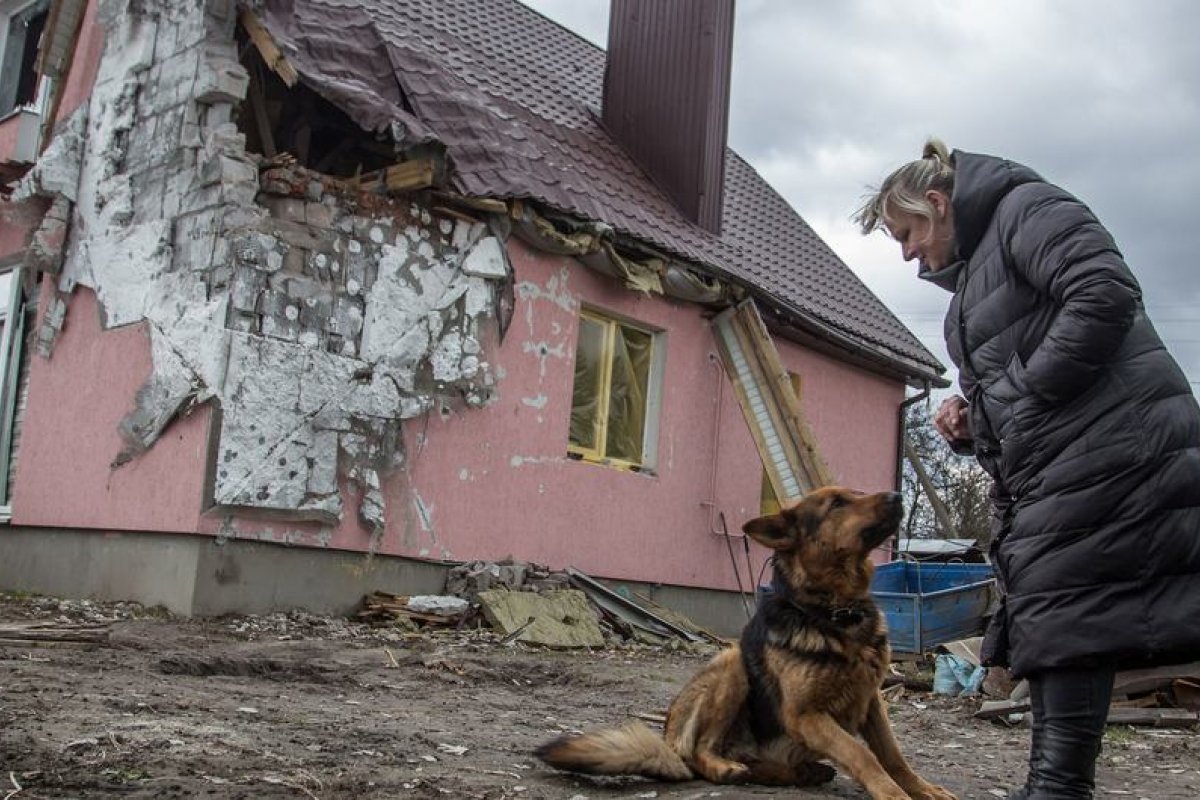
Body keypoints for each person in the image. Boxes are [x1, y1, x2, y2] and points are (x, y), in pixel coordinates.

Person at [854, 139, 1200, 800]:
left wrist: (1007, 395)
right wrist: (968, 421)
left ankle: (1057, 788)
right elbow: (1017, 397)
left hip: (1121, 449)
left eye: (906, 233)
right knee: (1067, 612)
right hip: (1071, 463)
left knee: (1067, 606)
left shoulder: (1026, 209)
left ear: (936, 201)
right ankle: (1057, 786)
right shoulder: (977, 282)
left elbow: (1102, 294)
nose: (905, 253)